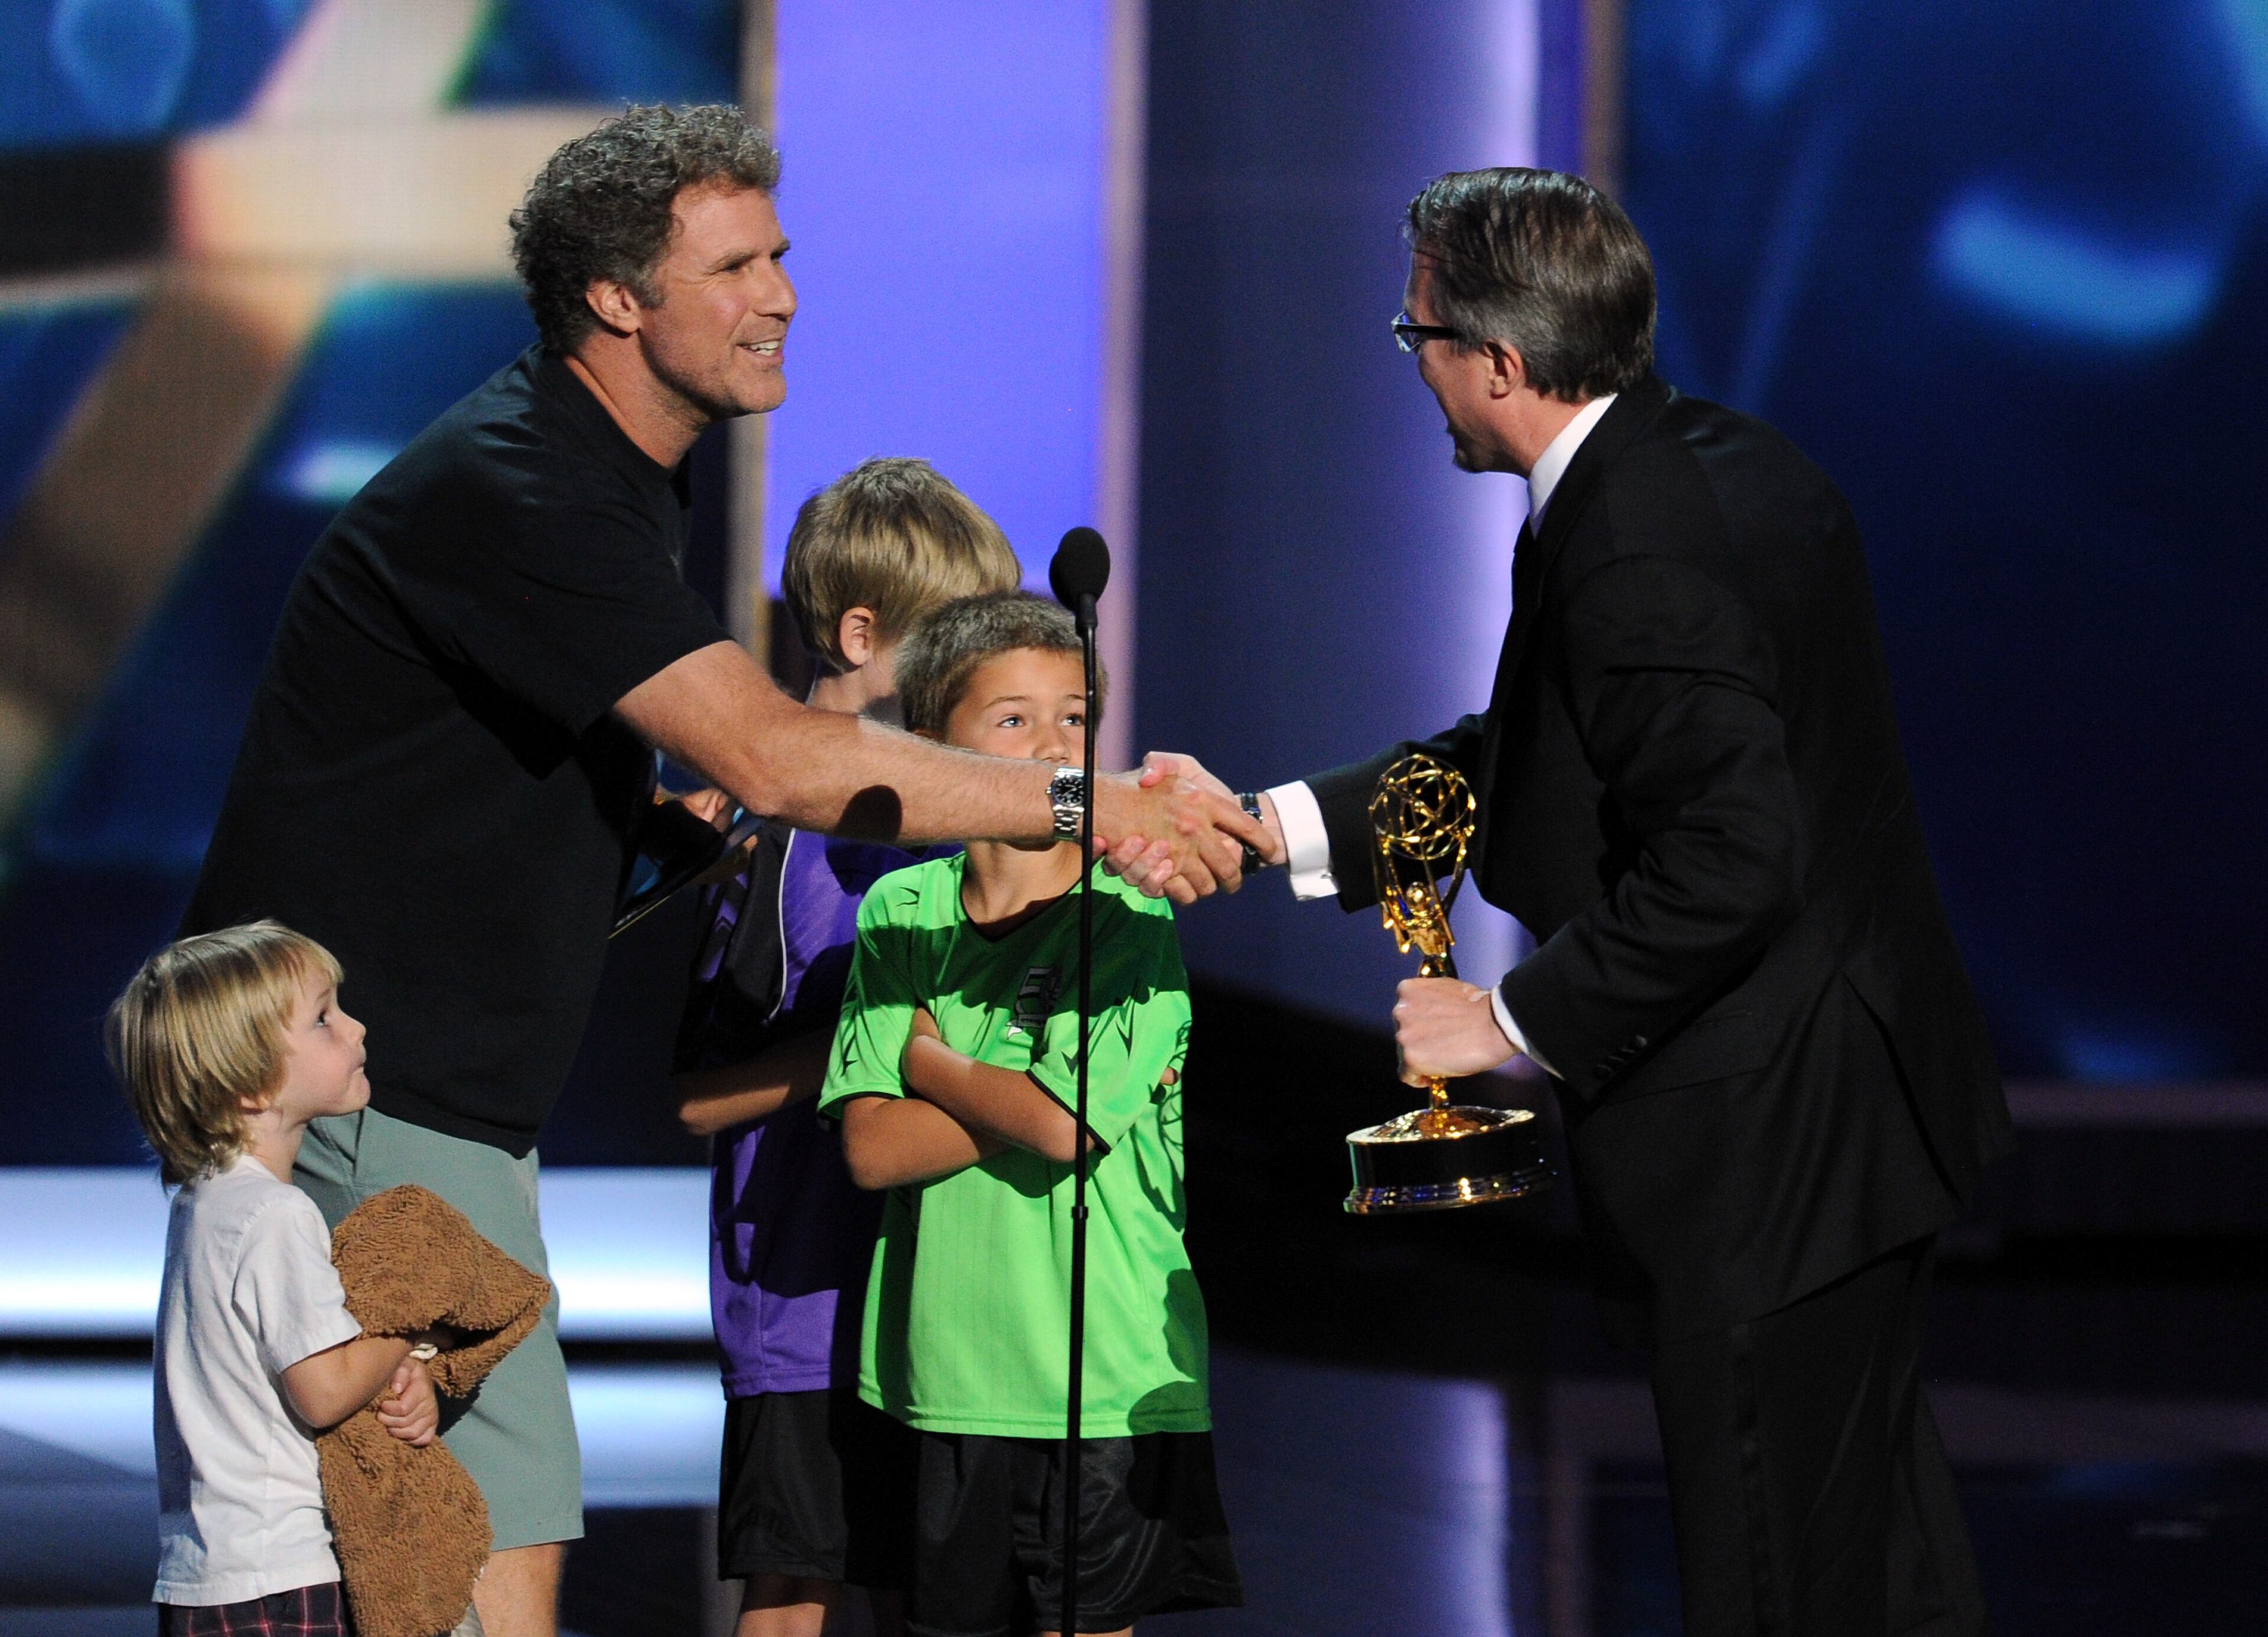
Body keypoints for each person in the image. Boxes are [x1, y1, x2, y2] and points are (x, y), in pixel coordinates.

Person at [178, 105, 1257, 1637]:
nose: (784, 293)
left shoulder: (609, 476)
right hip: (358, 1073)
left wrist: (650, 842)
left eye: (784, 253)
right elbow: (778, 758)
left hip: (416, 1082)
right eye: (738, 263)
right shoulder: (525, 482)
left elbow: (498, 784)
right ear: (619, 299)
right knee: (471, 1528)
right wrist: (1081, 802)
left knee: (466, 1527)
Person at [1133, 169, 2014, 1636]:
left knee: (1779, 1581)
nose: (1409, 362)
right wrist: (1266, 822)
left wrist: (1507, 1014)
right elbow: (1542, 756)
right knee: (1873, 1571)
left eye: (1415, 332)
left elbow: (1734, 853)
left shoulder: (1633, 544)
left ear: (1499, 362)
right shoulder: (1700, 463)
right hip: (1842, 1114)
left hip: (1766, 1151)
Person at [817, 593, 1243, 1637]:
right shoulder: (899, 911)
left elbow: (1066, 1126)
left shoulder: (1130, 911)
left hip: (1098, 1380)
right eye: (1013, 720)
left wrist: (927, 1057)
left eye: (1075, 717)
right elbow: (872, 1147)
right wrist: (1015, 1090)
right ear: (931, 750)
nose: (1056, 748)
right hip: (943, 1377)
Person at [675, 457, 1023, 1637]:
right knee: (796, 1588)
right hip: (803, 1307)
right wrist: (879, 1045)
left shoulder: (926, 833)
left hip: (927, 1302)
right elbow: (698, 1100)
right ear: (860, 629)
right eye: (951, 645)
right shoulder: (779, 840)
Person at [107, 922, 442, 1637]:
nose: (354, 1026)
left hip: (211, 1571)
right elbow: (323, 1391)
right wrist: (411, 1326)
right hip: (279, 1579)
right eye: (323, 1018)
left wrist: (393, 1365)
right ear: (253, 1085)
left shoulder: (208, 1200)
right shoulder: (276, 1212)